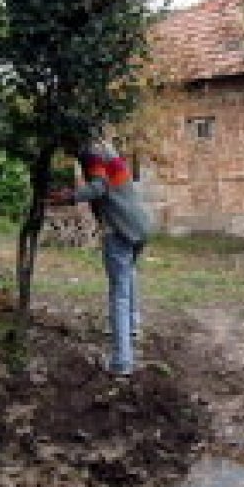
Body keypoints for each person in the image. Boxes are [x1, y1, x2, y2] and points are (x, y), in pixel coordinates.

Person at [48, 138, 151, 377]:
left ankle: (122, 362)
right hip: (140, 225)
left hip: (119, 229)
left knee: (119, 293)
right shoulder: (107, 147)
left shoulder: (91, 153)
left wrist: (69, 197)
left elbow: (99, 187)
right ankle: (133, 328)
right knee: (128, 275)